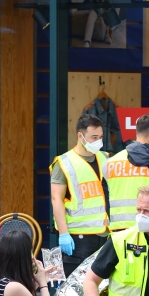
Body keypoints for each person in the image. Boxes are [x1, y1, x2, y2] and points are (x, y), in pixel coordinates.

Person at [50, 114, 109, 275]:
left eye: (101, 137)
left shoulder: (105, 158)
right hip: (78, 238)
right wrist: (63, 233)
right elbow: (56, 199)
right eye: (94, 137)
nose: (98, 141)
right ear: (80, 136)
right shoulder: (64, 162)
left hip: (104, 234)